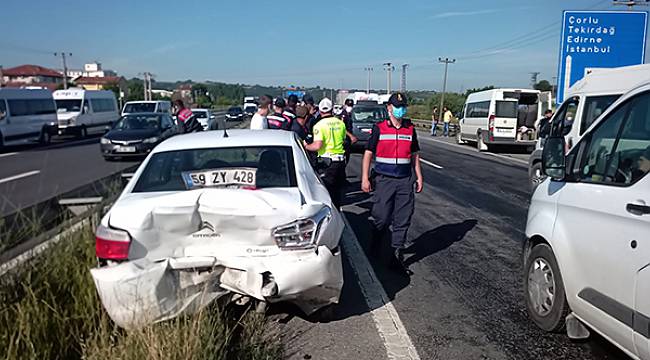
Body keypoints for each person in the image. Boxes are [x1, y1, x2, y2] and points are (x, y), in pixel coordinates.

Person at [361, 92, 423, 274]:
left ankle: (396, 255)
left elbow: (415, 155)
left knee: (403, 217)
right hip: (384, 179)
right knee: (381, 217)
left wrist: (419, 176)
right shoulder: (379, 128)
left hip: (405, 180)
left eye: (403, 107)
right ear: (389, 108)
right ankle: (376, 242)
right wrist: (365, 177)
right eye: (397, 106)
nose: (400, 110)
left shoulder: (410, 129)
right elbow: (368, 154)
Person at [304, 98, 347, 208]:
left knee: (326, 192)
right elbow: (343, 140)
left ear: (321, 111)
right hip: (341, 161)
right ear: (332, 109)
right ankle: (338, 212)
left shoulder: (319, 125)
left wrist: (305, 146)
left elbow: (317, 146)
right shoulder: (340, 123)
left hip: (327, 162)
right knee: (337, 191)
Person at [339, 98, 358, 163]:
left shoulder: (349, 114)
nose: (350, 107)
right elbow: (342, 128)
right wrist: (351, 136)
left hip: (348, 138)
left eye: (351, 106)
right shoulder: (343, 115)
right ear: (345, 105)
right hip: (344, 138)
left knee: (347, 156)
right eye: (348, 105)